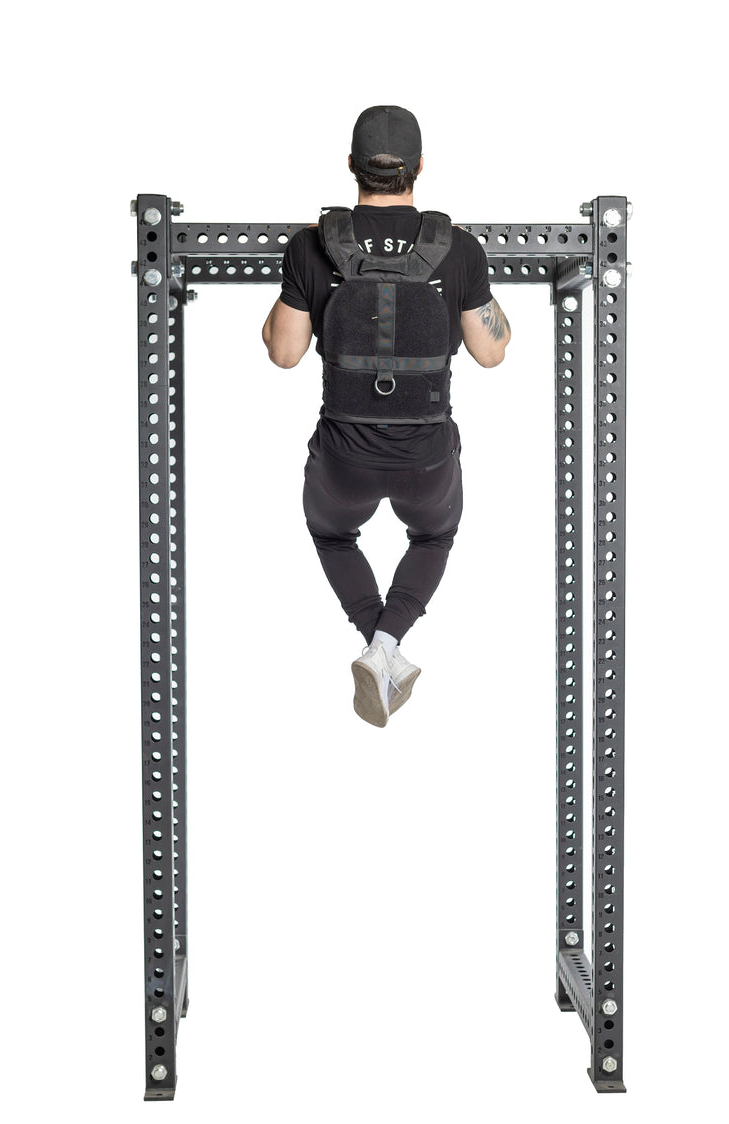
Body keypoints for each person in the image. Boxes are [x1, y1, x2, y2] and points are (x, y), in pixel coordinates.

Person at [261, 105, 511, 728]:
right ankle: (386, 646)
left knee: (332, 534)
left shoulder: (311, 246)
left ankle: (380, 647)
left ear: (351, 166)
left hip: (343, 458)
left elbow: (284, 353)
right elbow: (492, 352)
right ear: (420, 168)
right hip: (426, 456)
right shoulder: (458, 249)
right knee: (433, 535)